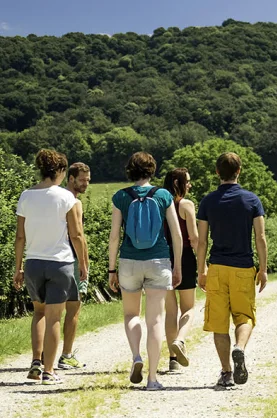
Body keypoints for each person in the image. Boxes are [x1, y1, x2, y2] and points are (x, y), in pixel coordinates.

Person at [13, 149, 89, 385]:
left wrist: (18, 268)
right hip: (60, 263)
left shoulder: (26, 196)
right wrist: (83, 263)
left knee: (39, 313)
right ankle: (49, 371)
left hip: (33, 263)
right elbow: (76, 235)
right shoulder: (66, 197)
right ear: (61, 171)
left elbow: (20, 237)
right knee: (54, 317)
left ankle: (36, 362)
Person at [108, 152, 183, 391]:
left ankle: (136, 356)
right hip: (159, 261)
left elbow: (114, 237)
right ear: (152, 170)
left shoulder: (121, 196)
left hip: (129, 261)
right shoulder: (163, 195)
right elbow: (176, 235)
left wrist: (111, 269)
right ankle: (152, 379)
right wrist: (177, 266)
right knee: (156, 320)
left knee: (131, 315)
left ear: (130, 170)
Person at [197, 152, 268, 389]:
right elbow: (260, 237)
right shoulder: (251, 200)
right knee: (244, 316)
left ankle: (227, 373)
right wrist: (263, 269)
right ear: (239, 171)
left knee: (219, 324)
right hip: (243, 268)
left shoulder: (208, 201)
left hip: (217, 268)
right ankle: (240, 347)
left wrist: (201, 271)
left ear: (217, 172)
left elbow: (202, 241)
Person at [163, 168, 199, 372]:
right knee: (189, 308)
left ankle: (173, 360)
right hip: (184, 257)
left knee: (170, 311)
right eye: (188, 181)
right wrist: (202, 264)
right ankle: (180, 340)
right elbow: (194, 238)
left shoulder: (159, 203)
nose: (190, 185)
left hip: (162, 258)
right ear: (178, 183)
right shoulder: (186, 205)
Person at [57, 162, 91, 370]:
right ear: (70, 178)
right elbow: (78, 235)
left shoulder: (56, 199)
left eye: (88, 180)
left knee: (51, 310)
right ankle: (66, 355)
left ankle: (43, 355)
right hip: (72, 259)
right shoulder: (73, 202)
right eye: (82, 180)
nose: (86, 184)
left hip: (53, 258)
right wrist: (84, 263)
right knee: (73, 308)